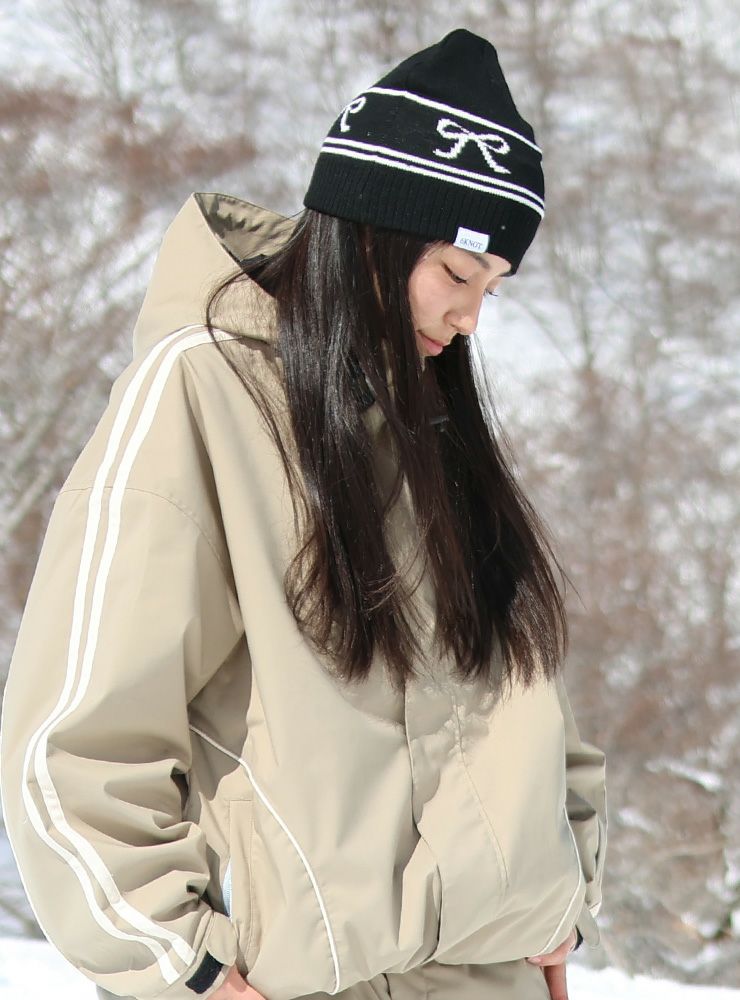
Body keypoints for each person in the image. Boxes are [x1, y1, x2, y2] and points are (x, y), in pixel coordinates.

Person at [0, 27, 606, 1000]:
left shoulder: (430, 421)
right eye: (456, 274)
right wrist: (184, 965)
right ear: (370, 231)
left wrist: (561, 889)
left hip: (487, 974)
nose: (469, 319)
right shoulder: (201, 395)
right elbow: (76, 739)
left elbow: (520, 680)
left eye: (491, 288)